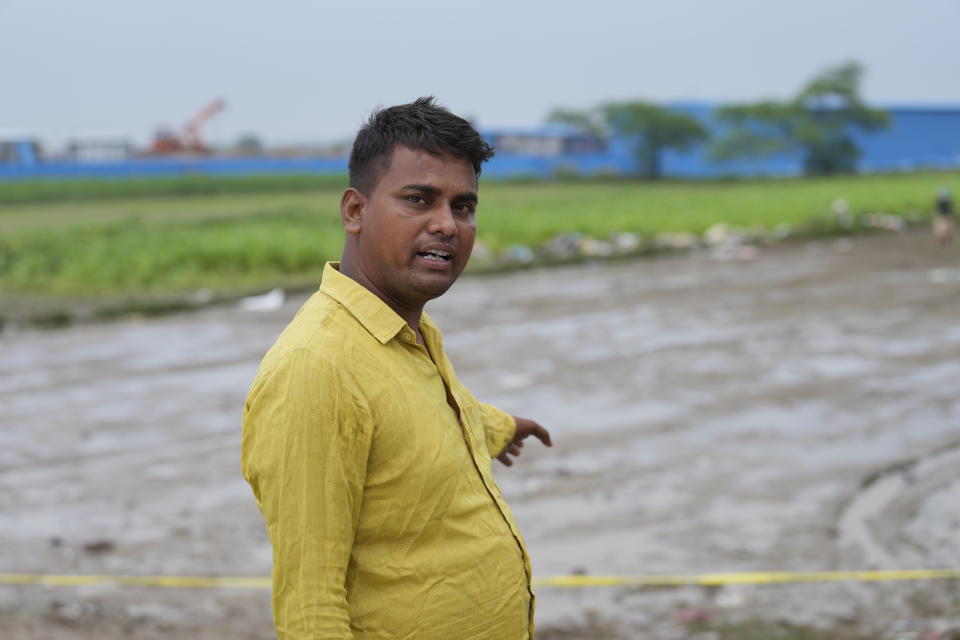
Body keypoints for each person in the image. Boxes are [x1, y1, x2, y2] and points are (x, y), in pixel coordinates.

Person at [241, 97, 552, 639]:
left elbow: (416, 419)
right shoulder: (315, 369)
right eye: (419, 199)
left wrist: (499, 428)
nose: (447, 225)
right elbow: (310, 608)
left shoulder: (409, 332)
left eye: (463, 206)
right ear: (355, 211)